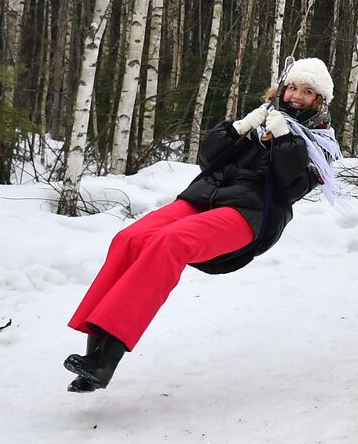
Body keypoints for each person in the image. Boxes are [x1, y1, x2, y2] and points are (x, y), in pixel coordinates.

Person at [63, 57, 343, 392]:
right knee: (129, 239)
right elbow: (207, 160)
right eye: (293, 87)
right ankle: (93, 359)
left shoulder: (319, 143)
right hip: (202, 197)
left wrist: (285, 139)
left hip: (250, 213)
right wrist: (237, 128)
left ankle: (106, 360)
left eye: (307, 91)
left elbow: (291, 186)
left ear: (319, 100)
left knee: (169, 242)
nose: (296, 96)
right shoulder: (263, 119)